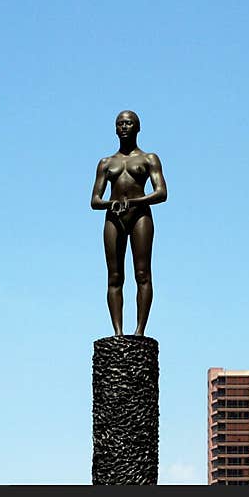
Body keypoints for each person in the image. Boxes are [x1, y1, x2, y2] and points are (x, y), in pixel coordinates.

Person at [90, 110, 167, 336]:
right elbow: (94, 200)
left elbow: (161, 192)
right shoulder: (106, 163)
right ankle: (118, 332)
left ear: (138, 127)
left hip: (140, 216)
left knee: (142, 273)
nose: (124, 127)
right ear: (115, 129)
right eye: (120, 124)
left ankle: (139, 330)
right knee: (114, 276)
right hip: (114, 218)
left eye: (129, 123)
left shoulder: (148, 158)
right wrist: (110, 204)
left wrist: (133, 201)